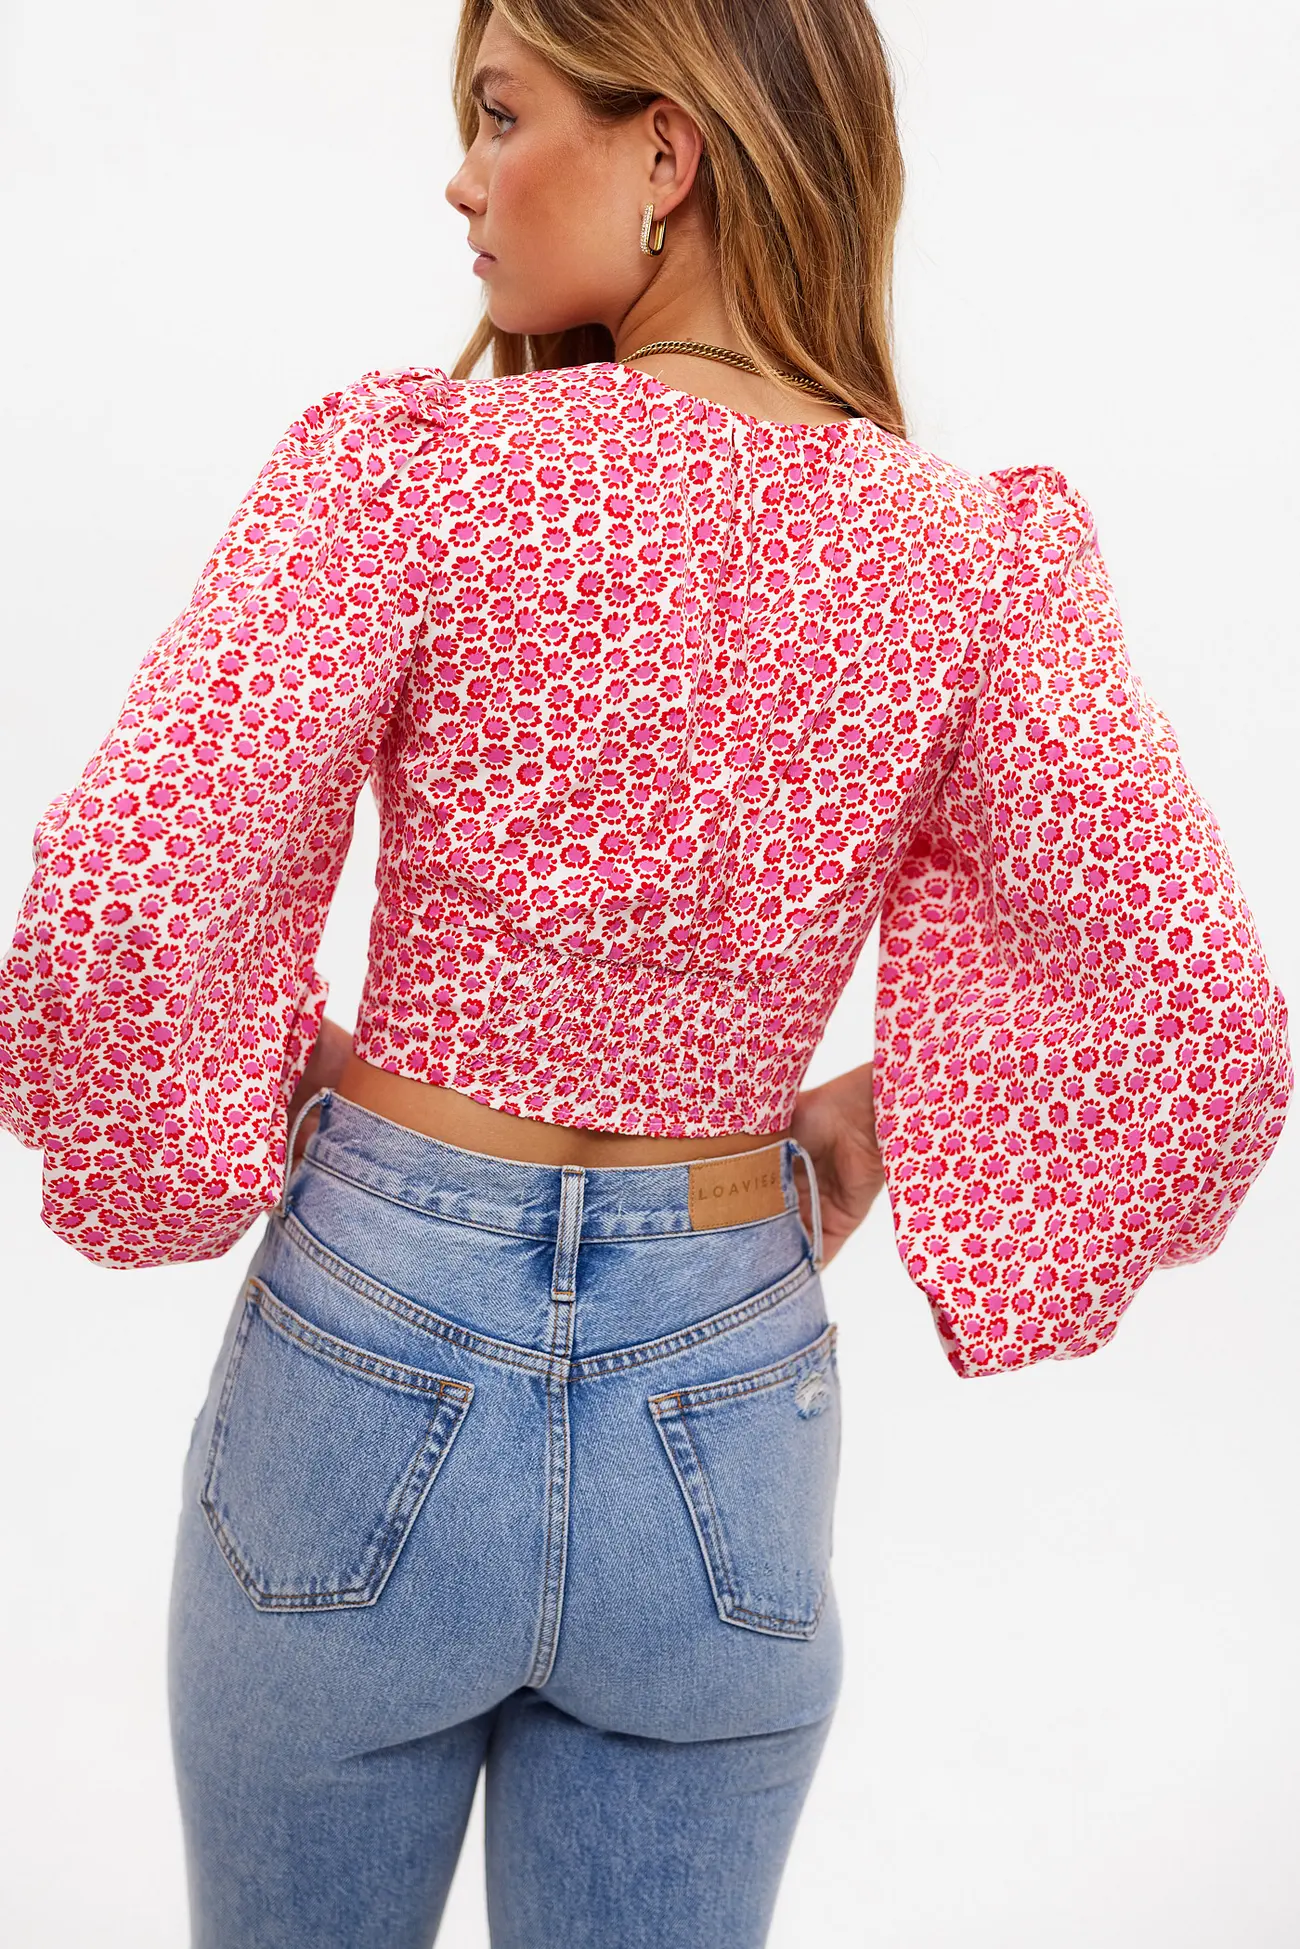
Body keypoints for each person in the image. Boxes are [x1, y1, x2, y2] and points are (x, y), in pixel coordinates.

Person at [0, 1, 1290, 1943]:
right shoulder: (972, 557)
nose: (463, 179)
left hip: (372, 1345)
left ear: (665, 154)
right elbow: (1193, 1010)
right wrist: (876, 1127)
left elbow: (125, 889)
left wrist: (270, 1096)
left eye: (499, 115)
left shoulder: (420, 470)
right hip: (723, 1371)